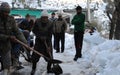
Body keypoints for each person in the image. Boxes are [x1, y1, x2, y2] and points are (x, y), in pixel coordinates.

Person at [0, 2, 27, 75]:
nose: (6, 14)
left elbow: (17, 32)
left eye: (7, 12)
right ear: (1, 11)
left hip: (6, 46)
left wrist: (25, 43)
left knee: (7, 64)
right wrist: (8, 37)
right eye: (4, 12)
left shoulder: (11, 19)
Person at [30, 10, 53, 75]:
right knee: (35, 57)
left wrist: (48, 44)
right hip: (38, 42)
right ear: (41, 17)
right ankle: (33, 68)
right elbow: (34, 30)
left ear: (47, 17)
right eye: (43, 17)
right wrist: (40, 36)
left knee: (49, 56)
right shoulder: (37, 21)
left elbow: (50, 33)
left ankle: (49, 69)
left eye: (46, 17)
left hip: (47, 41)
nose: (44, 19)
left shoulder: (51, 23)